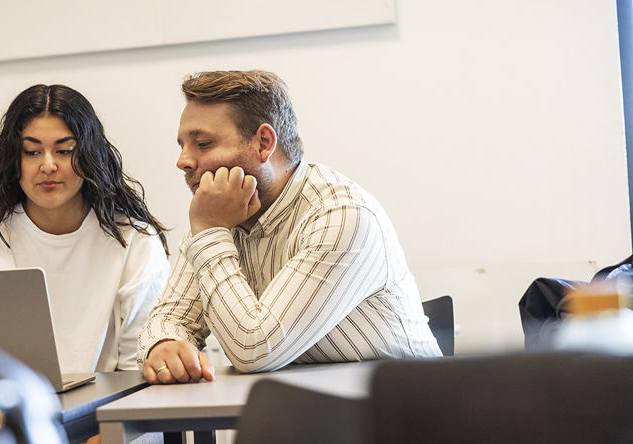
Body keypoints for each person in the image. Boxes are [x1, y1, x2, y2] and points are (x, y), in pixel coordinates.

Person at [137, 70, 441, 384]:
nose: (183, 161)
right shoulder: (216, 216)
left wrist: (210, 231)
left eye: (203, 144)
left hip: (402, 419)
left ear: (264, 142)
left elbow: (254, 350)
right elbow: (169, 319)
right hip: (308, 416)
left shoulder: (343, 215)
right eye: (182, 145)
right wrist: (164, 345)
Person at [0, 84, 170, 373]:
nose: (48, 165)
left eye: (64, 151)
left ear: (89, 157)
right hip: (9, 409)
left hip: (106, 411)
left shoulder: (135, 240)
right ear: (15, 162)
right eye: (32, 152)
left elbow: (136, 368)